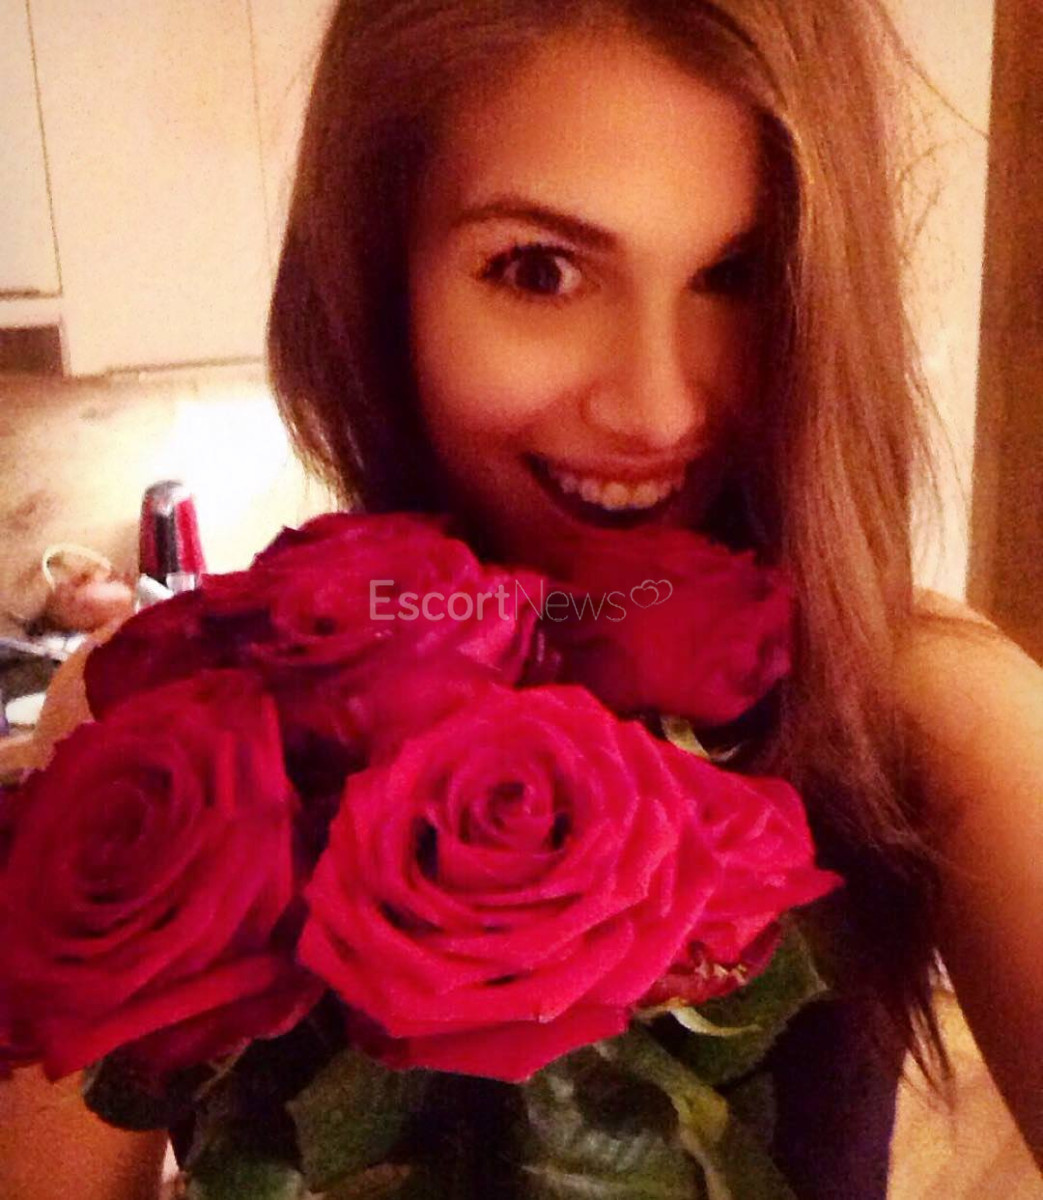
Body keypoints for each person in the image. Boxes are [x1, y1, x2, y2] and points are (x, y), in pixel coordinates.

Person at [3, 1, 1042, 1197]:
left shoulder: (923, 707)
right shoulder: (150, 732)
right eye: (539, 270)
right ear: (374, 278)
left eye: (736, 275)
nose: (655, 407)